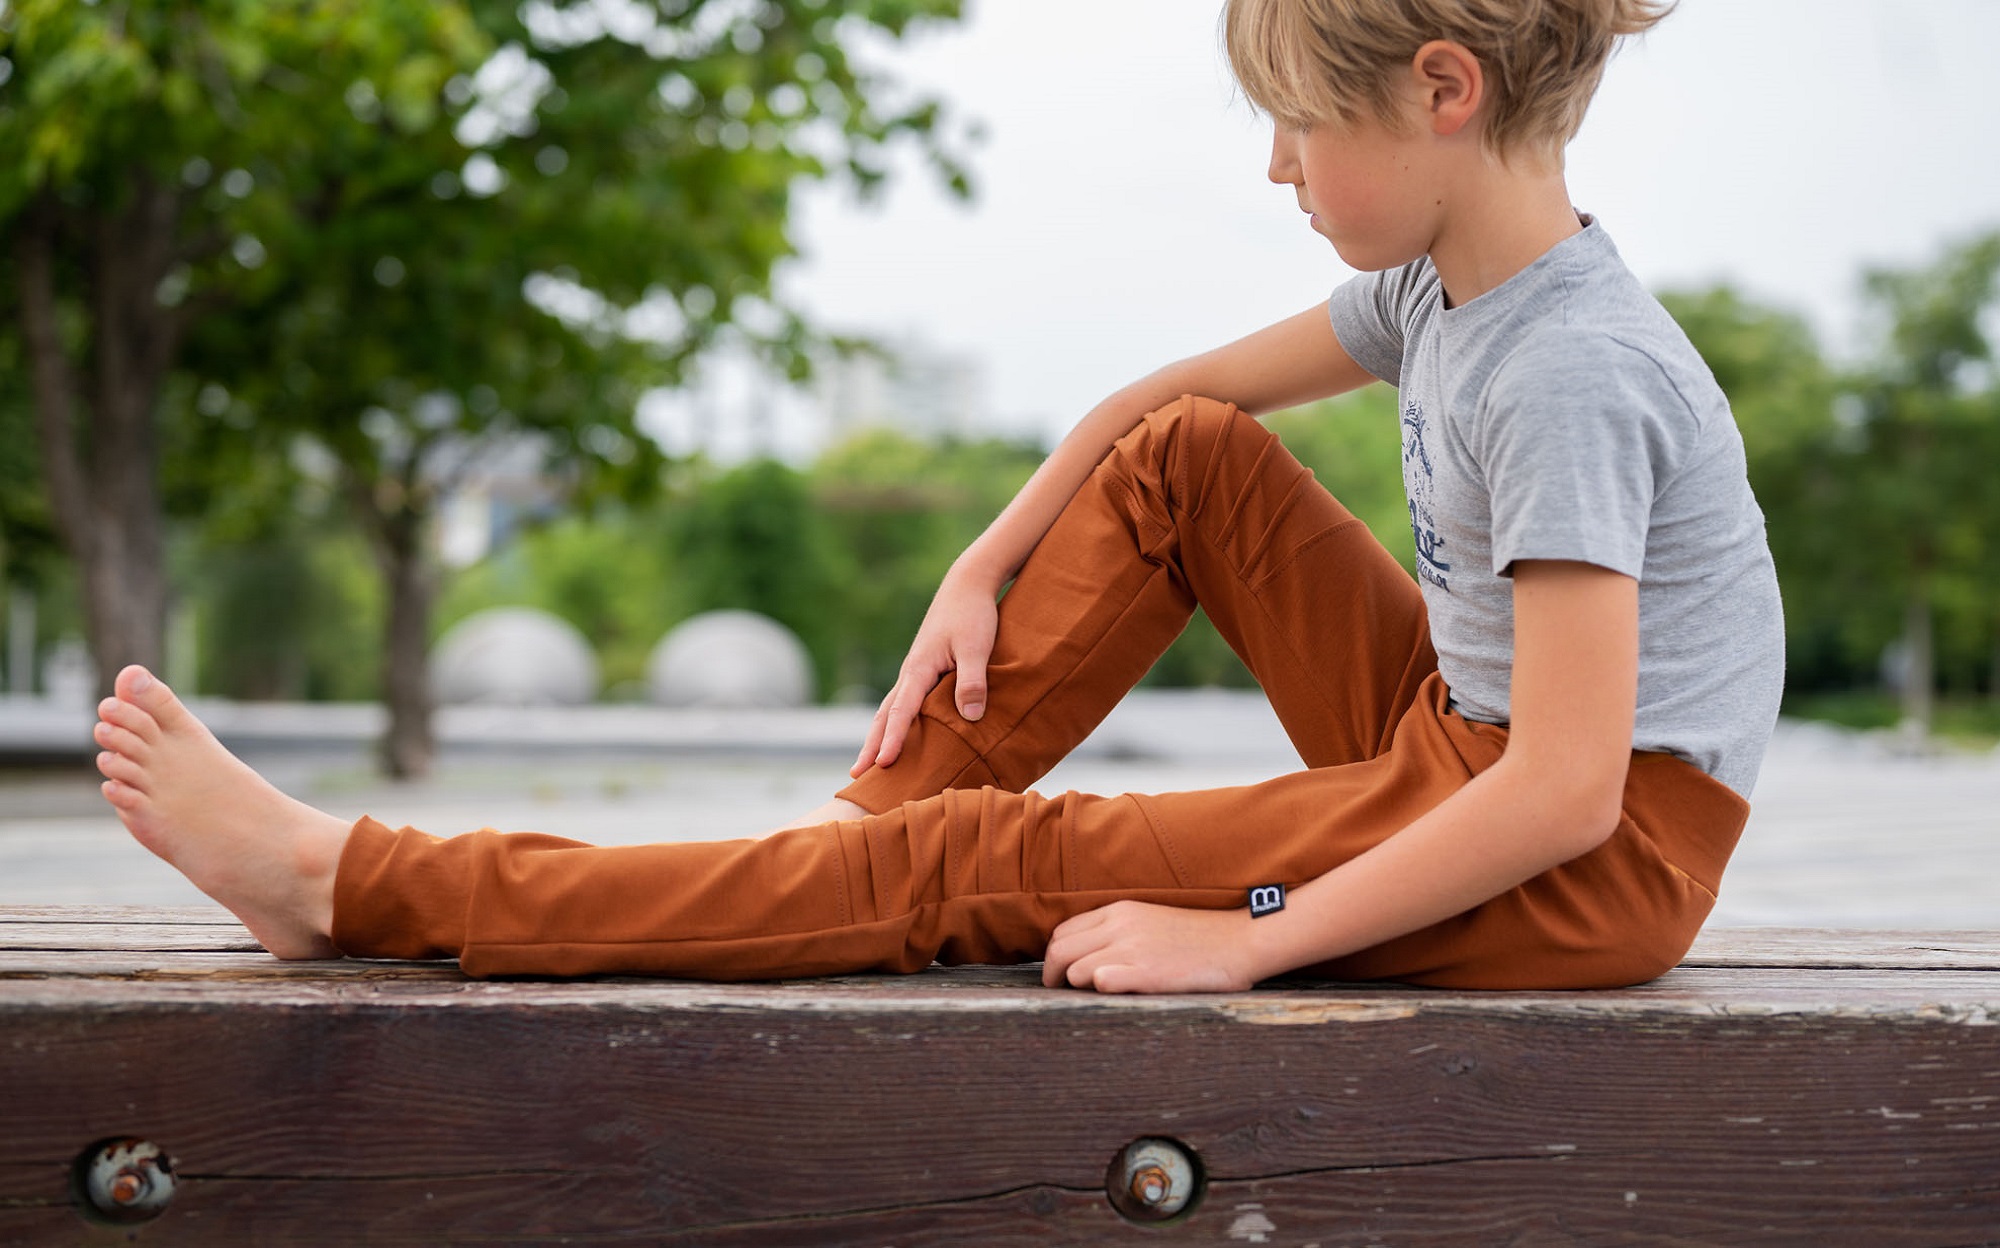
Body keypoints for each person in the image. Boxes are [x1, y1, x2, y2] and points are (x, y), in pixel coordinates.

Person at [91, 0, 1782, 993]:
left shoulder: (1570, 367)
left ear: (1441, 88)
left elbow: (1563, 798)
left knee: (976, 863)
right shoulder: (1443, 283)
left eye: (1295, 122)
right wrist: (982, 562)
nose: (1275, 166)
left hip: (1585, 859)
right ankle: (843, 847)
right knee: (1186, 463)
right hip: (1463, 740)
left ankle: (354, 883)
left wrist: (1246, 941)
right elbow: (1160, 408)